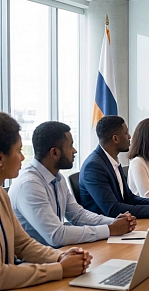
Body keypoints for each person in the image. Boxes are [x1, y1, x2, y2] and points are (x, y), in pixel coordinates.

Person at [0, 112, 92, 289]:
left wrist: (59, 257)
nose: (22, 157)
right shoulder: (28, 182)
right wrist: (59, 269)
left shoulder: (1, 195)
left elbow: (23, 244)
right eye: (18, 151)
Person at [8, 121, 136, 248]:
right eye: (70, 146)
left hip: (57, 253)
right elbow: (56, 235)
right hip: (35, 262)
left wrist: (115, 222)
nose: (74, 151)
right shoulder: (29, 185)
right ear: (54, 153)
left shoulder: (58, 178)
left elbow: (78, 215)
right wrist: (110, 229)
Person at [80, 115, 149, 218]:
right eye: (126, 133)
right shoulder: (93, 167)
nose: (129, 136)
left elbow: (129, 198)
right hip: (105, 229)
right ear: (115, 139)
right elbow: (112, 209)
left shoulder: (112, 161)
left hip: (122, 223)